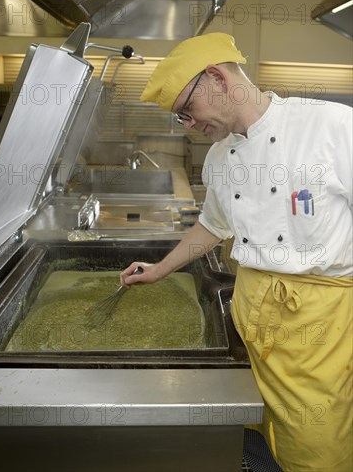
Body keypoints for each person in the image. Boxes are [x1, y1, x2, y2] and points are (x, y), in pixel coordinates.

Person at [120, 32, 353, 472]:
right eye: (180, 119)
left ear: (216, 78)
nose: (188, 126)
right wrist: (160, 269)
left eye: (187, 111)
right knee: (255, 427)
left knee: (318, 446)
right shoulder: (219, 158)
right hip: (251, 320)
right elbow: (213, 224)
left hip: (320, 330)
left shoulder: (332, 127)